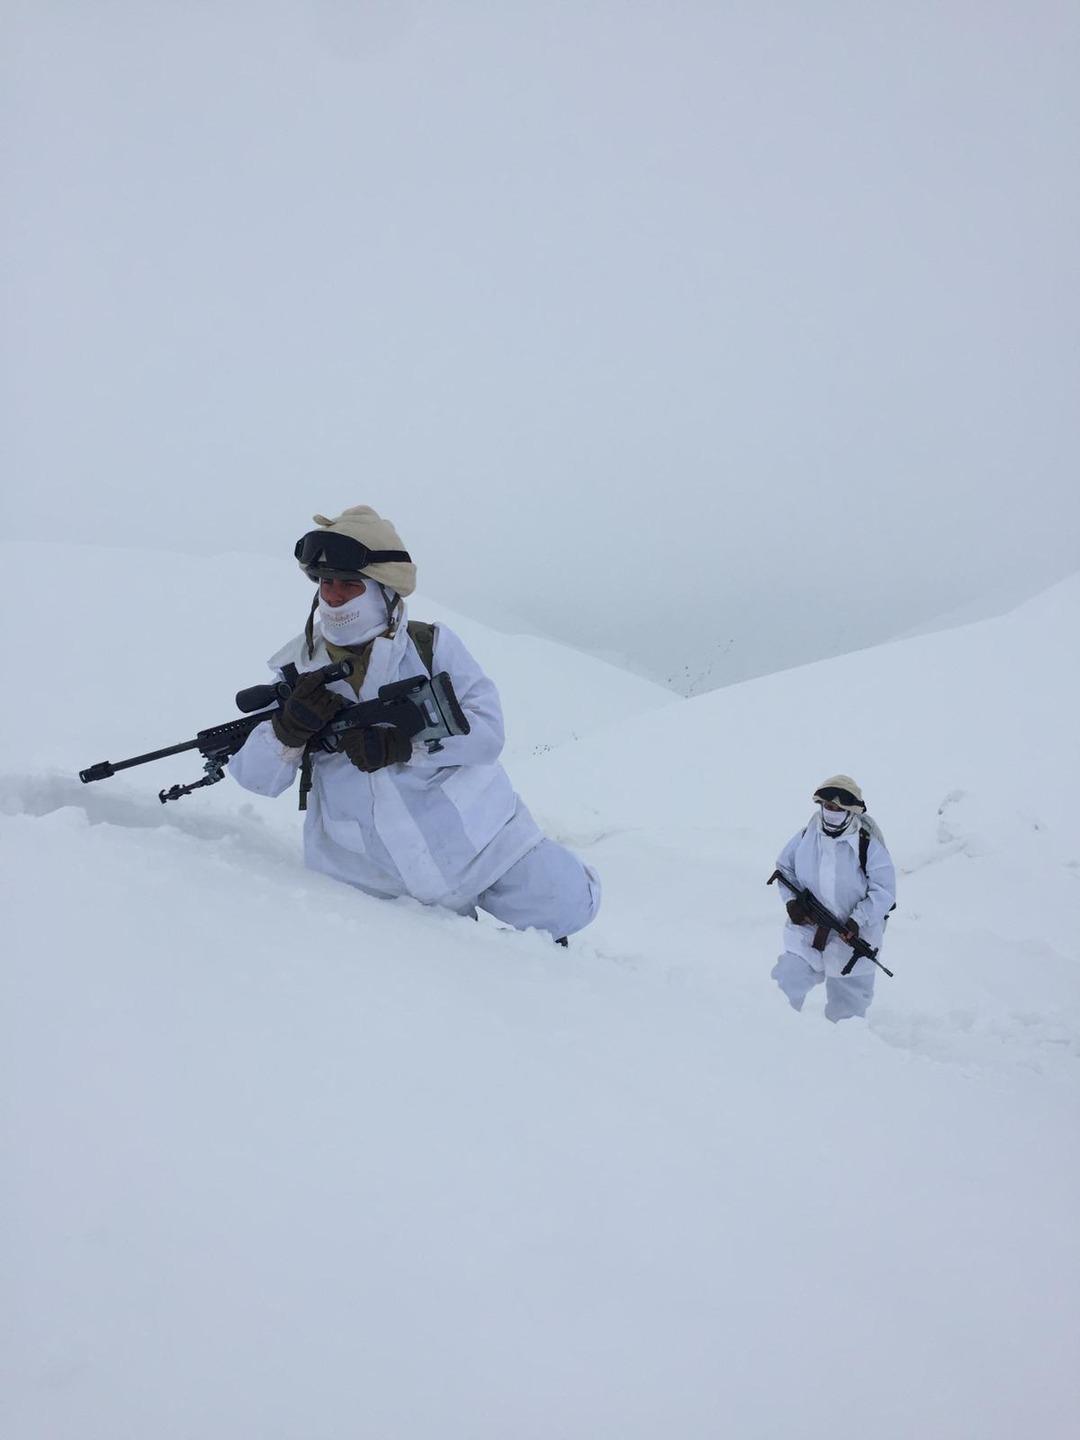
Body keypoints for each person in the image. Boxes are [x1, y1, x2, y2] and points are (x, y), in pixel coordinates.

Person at [228, 505, 600, 942]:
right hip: (368, 875)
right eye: (325, 584)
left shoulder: (430, 647)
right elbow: (256, 780)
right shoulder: (297, 669)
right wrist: (287, 734)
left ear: (384, 590)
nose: (333, 597)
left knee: (569, 902)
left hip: (483, 841)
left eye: (349, 585)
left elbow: (488, 733)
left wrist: (406, 744)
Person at [770, 775, 896, 1022]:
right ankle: (775, 1031)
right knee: (785, 986)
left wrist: (858, 919)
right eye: (828, 806)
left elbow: (884, 891)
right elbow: (784, 868)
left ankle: (843, 1045)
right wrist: (791, 902)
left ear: (851, 811)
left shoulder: (867, 845)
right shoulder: (807, 836)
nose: (832, 812)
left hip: (854, 938)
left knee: (848, 1015)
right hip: (809, 928)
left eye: (839, 808)